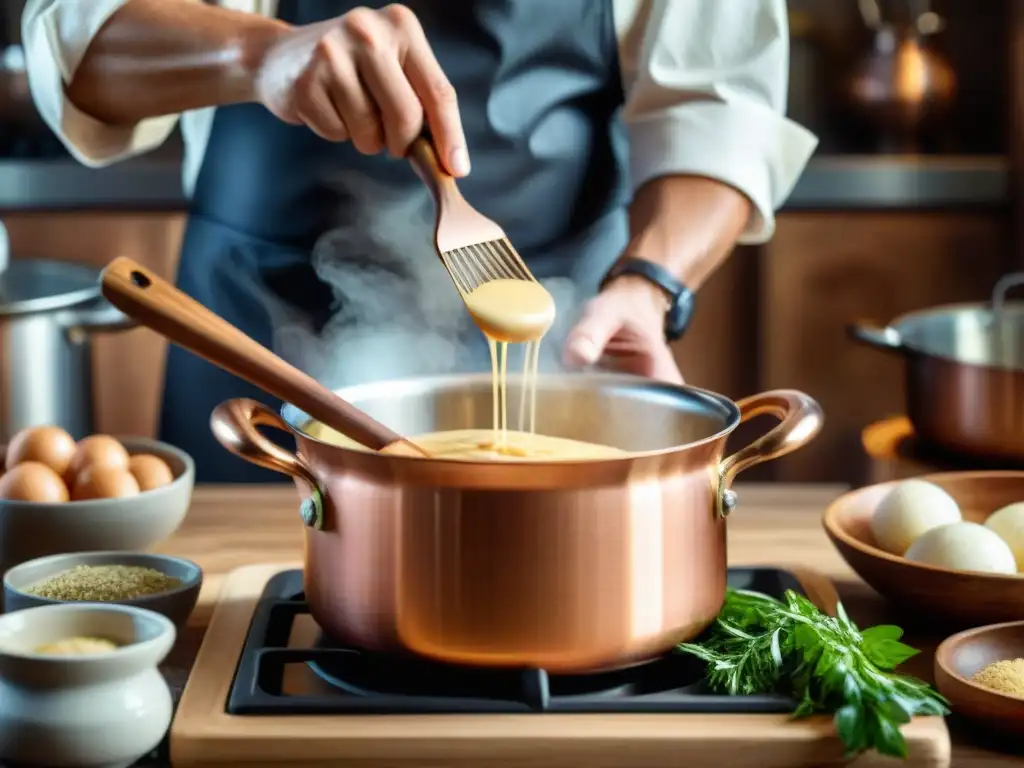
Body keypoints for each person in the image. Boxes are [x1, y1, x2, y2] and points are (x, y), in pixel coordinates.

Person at [23, 0, 817, 482]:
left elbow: (720, 108)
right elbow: (74, 46)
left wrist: (649, 283)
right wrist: (258, 53)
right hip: (250, 319)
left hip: (569, 322)